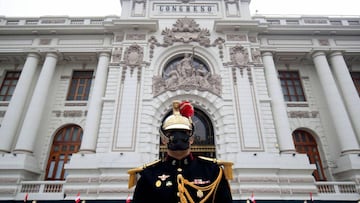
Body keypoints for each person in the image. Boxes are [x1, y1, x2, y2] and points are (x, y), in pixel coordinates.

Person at [128, 100, 233, 203]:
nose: (178, 137)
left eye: (183, 132)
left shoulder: (212, 171)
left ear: (191, 138)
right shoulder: (149, 174)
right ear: (163, 139)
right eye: (171, 133)